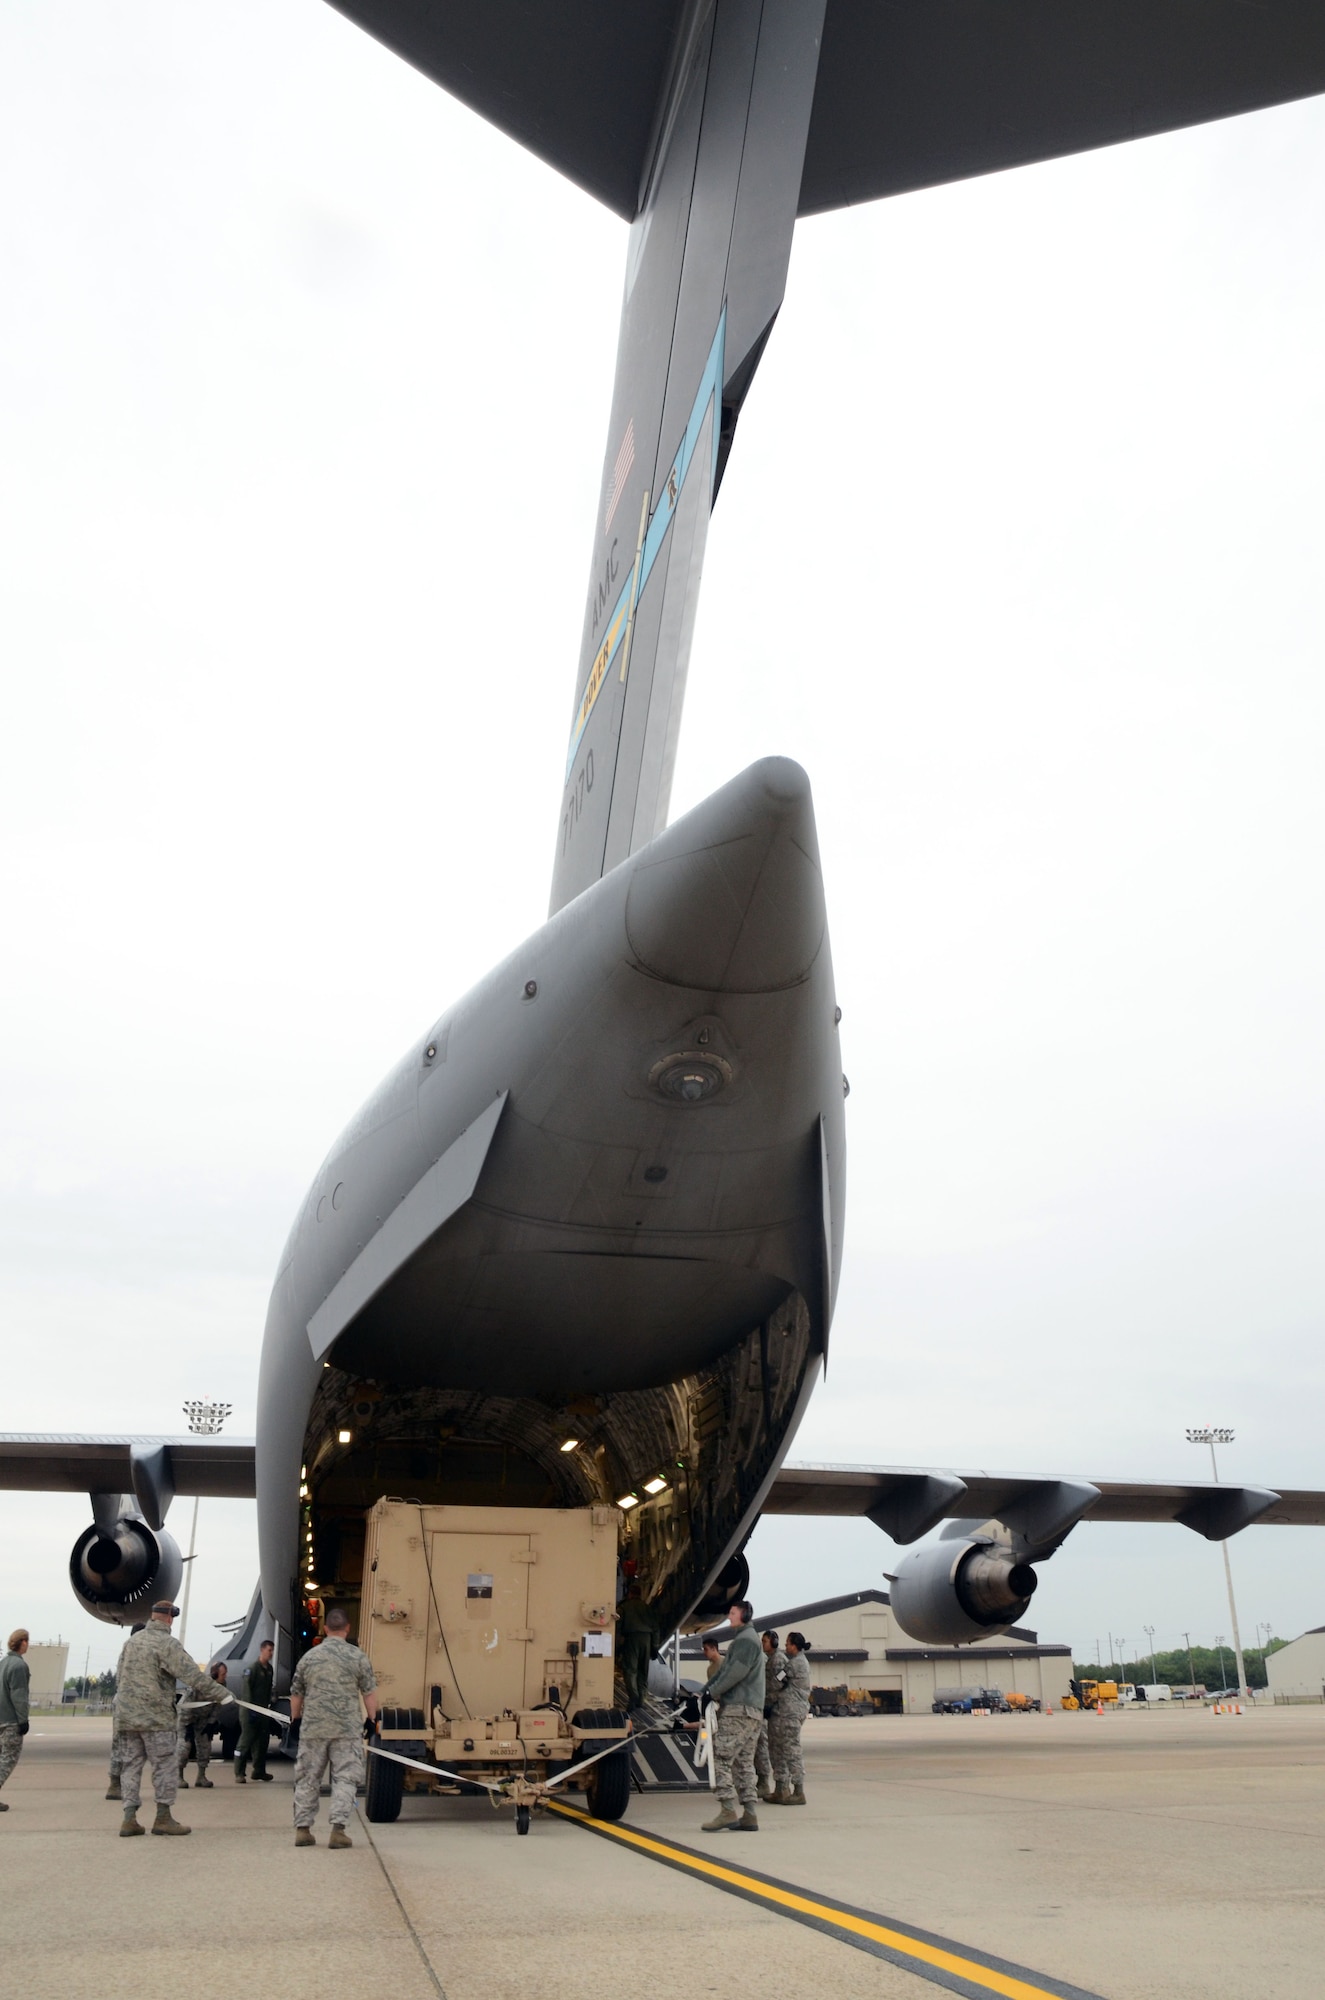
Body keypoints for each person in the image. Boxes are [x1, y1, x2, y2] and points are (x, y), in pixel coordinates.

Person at [114, 1600, 231, 1836]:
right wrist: (223, 1694)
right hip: (156, 1720)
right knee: (164, 1767)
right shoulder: (167, 1644)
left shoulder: (131, 1643)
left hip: (126, 1717)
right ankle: (163, 1817)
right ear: (169, 1619)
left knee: (131, 1766)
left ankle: (129, 1818)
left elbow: (119, 1677)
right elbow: (193, 1676)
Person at [289, 1607, 377, 1848]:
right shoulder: (358, 1656)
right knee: (345, 1779)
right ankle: (338, 1830)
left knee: (307, 1778)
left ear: (325, 1629)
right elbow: (369, 1692)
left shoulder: (309, 1658)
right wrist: (372, 1719)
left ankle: (303, 1830)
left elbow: (296, 1693)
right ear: (347, 1629)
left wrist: (295, 1720)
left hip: (314, 1729)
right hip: (346, 1730)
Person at [699, 1599, 765, 1833]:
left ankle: (728, 1810)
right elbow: (725, 1670)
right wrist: (705, 1691)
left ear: (745, 1615)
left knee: (720, 1757)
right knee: (744, 1763)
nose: (729, 1616)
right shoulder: (744, 1640)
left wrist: (713, 1693)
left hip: (739, 1709)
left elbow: (735, 1673)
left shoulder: (746, 1641)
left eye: (733, 1613)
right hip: (751, 1711)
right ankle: (749, 1814)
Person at [769, 1628, 812, 1805]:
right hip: (786, 1711)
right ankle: (781, 1788)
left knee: (791, 1749)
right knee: (779, 1747)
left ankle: (798, 1790)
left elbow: (778, 1680)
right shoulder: (797, 1661)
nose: (785, 1647)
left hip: (791, 1712)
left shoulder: (795, 1664)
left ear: (795, 1646)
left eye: (787, 1644)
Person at [178, 1662, 229, 1787]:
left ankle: (201, 1776)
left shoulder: (221, 1686)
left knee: (205, 1746)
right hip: (187, 1719)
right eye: (223, 1674)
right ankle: (178, 1776)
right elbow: (186, 1705)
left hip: (203, 1719)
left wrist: (211, 1723)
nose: (225, 1676)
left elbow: (217, 1705)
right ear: (215, 1674)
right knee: (184, 1747)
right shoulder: (199, 1684)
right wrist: (188, 1725)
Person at [235, 1639, 276, 1782]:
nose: (271, 1653)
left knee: (262, 1743)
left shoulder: (269, 1669)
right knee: (245, 1742)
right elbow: (246, 1692)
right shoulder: (252, 1669)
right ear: (262, 1650)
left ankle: (259, 1771)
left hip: (263, 1711)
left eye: (272, 1651)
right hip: (250, 1712)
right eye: (269, 1650)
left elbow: (269, 1689)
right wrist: (250, 1710)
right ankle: (239, 1772)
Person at [754, 1629, 787, 1802]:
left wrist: (771, 1702)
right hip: (770, 1707)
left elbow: (782, 1682)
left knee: (776, 1748)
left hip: (776, 1708)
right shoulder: (770, 1660)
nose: (763, 1643)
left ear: (774, 1642)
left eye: (765, 1641)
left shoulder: (779, 1660)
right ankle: (772, 1785)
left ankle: (781, 1787)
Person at [0, 1629, 31, 1810]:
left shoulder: (3, 1663)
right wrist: (23, 1720)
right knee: (8, 1759)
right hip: (11, 1720)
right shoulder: (19, 1666)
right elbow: (19, 1695)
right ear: (23, 1642)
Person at [617, 1582, 658, 1712]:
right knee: (643, 1670)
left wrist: (617, 1648)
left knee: (630, 1670)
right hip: (647, 1639)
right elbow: (656, 1628)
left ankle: (633, 1696)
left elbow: (617, 1628)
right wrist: (655, 1646)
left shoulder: (624, 1607)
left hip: (631, 1639)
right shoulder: (647, 1608)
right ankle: (641, 1699)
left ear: (629, 1594)